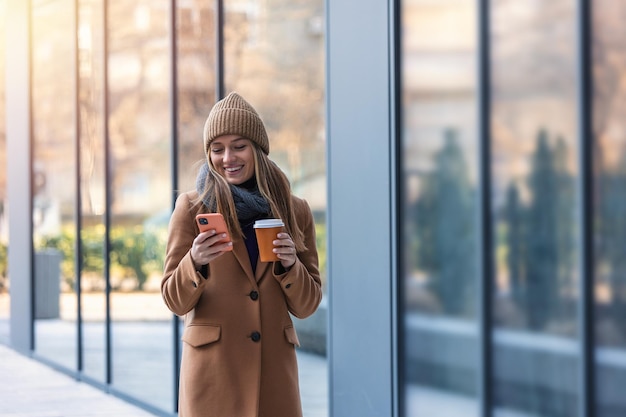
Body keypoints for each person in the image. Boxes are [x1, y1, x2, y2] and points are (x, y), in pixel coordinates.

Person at [161, 92, 323, 417]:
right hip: (213, 378)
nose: (227, 158)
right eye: (217, 149)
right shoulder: (192, 207)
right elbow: (174, 300)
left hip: (273, 379)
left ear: (257, 149)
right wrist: (195, 261)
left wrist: (291, 265)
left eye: (239, 146)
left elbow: (307, 306)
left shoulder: (296, 211)